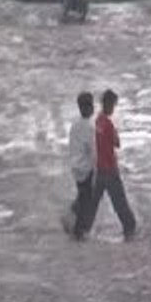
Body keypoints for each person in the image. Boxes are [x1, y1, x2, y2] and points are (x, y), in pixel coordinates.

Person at [83, 89, 137, 241]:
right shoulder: (107, 124)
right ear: (109, 104)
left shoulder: (98, 121)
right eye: (113, 105)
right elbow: (117, 143)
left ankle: (83, 227)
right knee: (119, 201)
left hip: (99, 168)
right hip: (110, 169)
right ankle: (129, 228)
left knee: (93, 202)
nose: (113, 108)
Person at [62, 92, 96, 240]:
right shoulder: (89, 127)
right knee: (86, 199)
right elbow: (93, 149)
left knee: (82, 195)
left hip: (76, 167)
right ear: (88, 108)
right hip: (86, 168)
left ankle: (70, 215)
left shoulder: (75, 126)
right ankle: (78, 231)